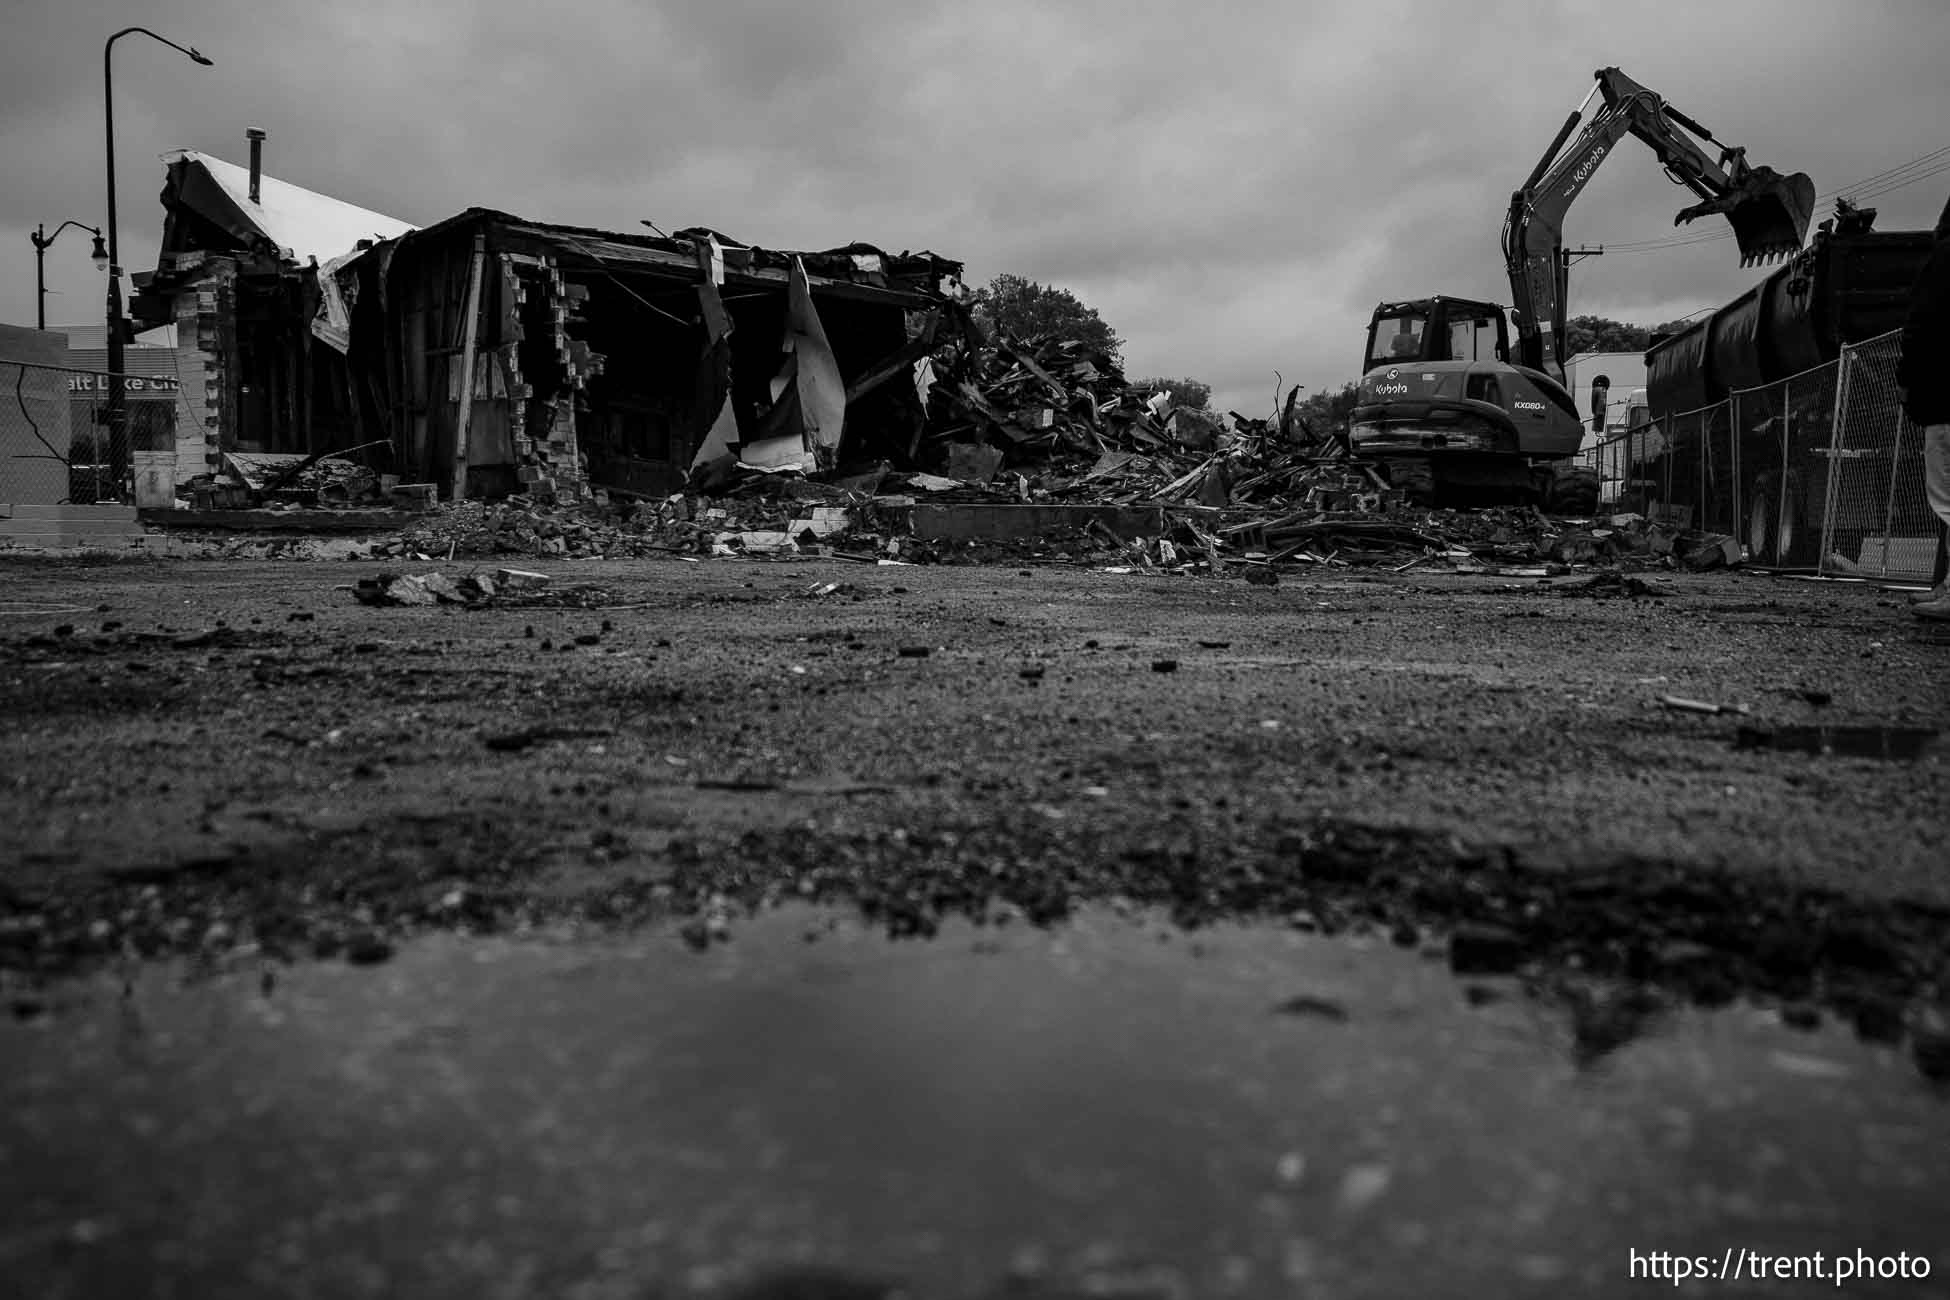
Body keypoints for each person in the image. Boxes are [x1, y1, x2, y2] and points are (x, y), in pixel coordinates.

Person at [1896, 195, 1950, 621]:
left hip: (1944, 400)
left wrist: (1908, 379)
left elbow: (1922, 325)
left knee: (1947, 498)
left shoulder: (1944, 262)